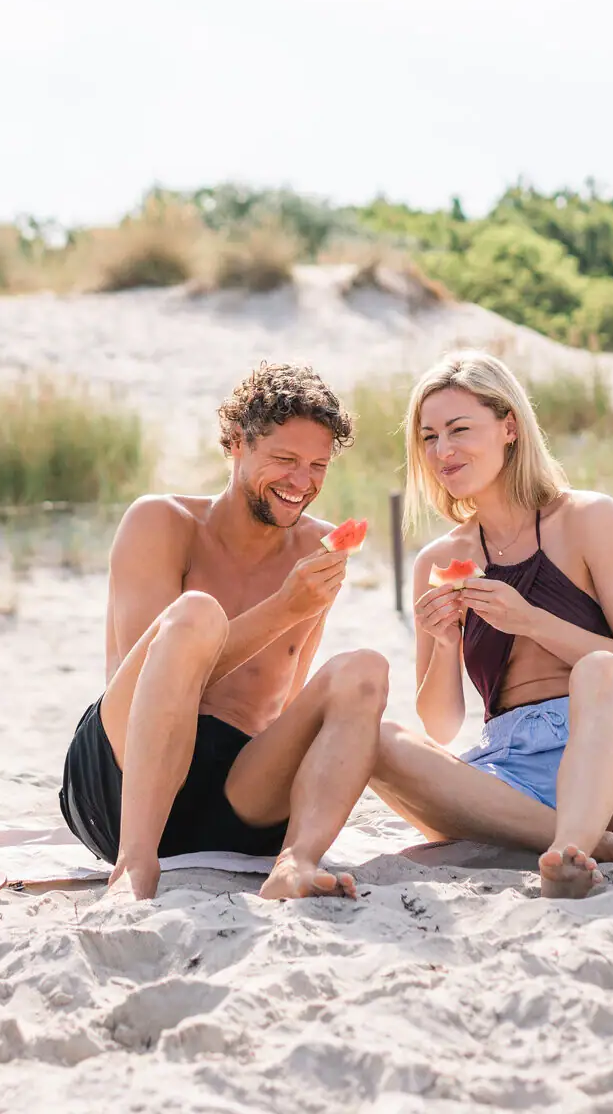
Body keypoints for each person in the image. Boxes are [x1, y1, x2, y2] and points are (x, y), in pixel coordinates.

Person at [59, 363, 389, 901]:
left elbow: (285, 693)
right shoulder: (161, 523)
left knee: (364, 669)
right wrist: (285, 607)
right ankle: (134, 867)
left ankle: (295, 863)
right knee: (196, 615)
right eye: (284, 460)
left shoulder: (320, 548)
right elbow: (155, 680)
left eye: (316, 466)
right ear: (236, 442)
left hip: (238, 797)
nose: (301, 483)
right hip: (121, 787)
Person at [371, 350, 613, 898]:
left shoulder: (590, 519)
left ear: (509, 426)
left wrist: (531, 621)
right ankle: (581, 847)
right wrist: (446, 643)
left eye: (459, 429)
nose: (442, 451)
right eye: (428, 437)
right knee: (375, 739)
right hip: (512, 772)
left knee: (599, 670)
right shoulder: (437, 561)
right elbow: (441, 727)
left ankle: (577, 841)